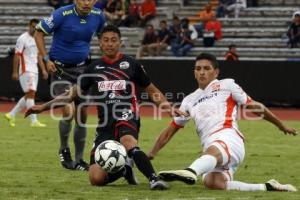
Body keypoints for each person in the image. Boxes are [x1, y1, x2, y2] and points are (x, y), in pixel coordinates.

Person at [25, 25, 185, 190]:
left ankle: (153, 179)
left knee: (128, 142)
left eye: (114, 40)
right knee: (96, 178)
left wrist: (169, 108)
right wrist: (43, 107)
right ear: (100, 44)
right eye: (106, 40)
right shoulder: (93, 69)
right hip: (104, 125)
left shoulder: (131, 64)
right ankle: (124, 168)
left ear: (120, 43)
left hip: (127, 115)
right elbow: (71, 94)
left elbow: (152, 91)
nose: (110, 44)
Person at [148, 53, 298, 192]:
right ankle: (267, 187)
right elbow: (171, 130)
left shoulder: (227, 85)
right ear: (194, 72)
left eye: (207, 68)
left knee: (213, 151)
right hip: (210, 148)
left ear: (216, 72)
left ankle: (191, 171)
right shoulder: (189, 100)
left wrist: (281, 125)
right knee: (214, 183)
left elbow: (256, 107)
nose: (202, 72)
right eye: (198, 69)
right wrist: (152, 153)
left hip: (229, 138)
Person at [34, 0, 106, 171]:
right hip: (60, 70)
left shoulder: (98, 16)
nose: (86, 2)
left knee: (81, 115)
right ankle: (64, 149)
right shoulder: (61, 14)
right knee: (68, 110)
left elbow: (103, 38)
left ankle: (80, 160)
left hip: (83, 70)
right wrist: (46, 59)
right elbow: (38, 33)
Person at [4, 19, 48, 128]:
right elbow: (17, 55)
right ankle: (34, 121)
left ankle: (11, 114)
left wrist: (43, 69)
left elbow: (39, 56)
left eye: (36, 27)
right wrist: (15, 71)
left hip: (34, 69)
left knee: (29, 95)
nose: (34, 29)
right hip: (26, 69)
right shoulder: (22, 38)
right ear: (29, 26)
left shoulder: (37, 39)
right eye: (32, 26)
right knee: (31, 93)